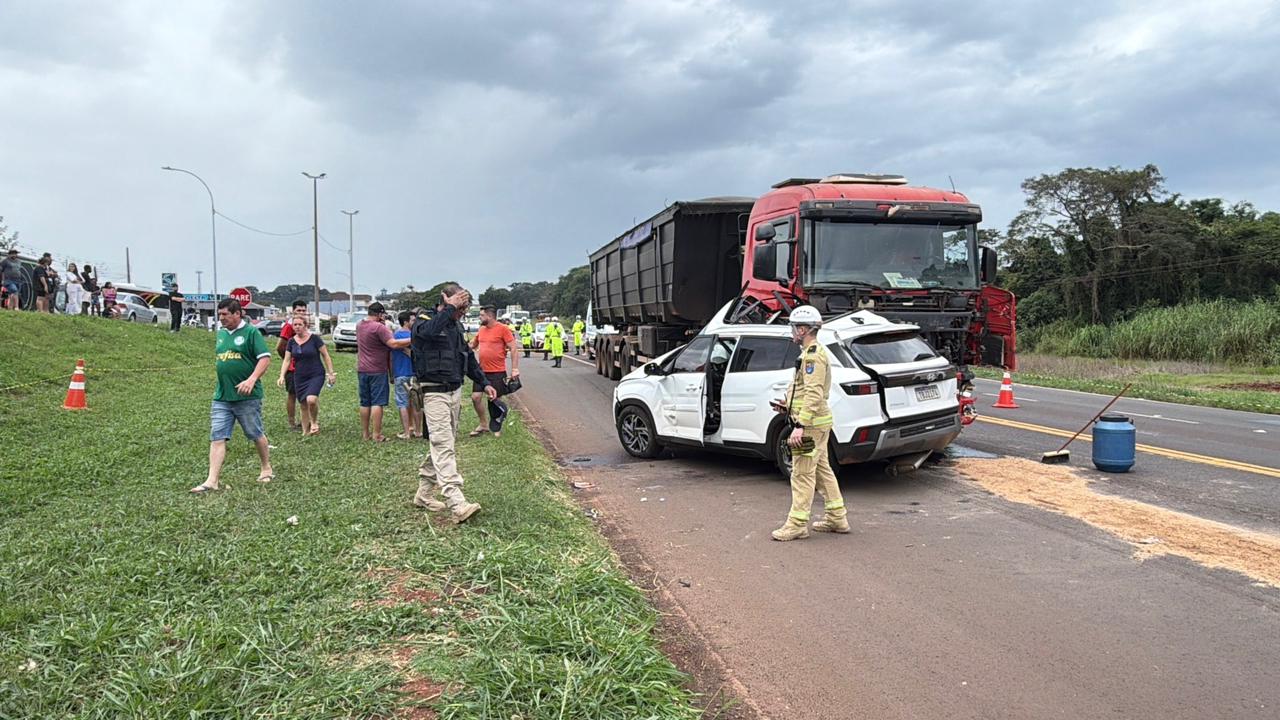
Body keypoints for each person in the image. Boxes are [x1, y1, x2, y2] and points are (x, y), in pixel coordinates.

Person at [411, 284, 494, 524]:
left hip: (454, 391)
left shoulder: (456, 326)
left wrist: (484, 382)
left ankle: (424, 494)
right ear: (445, 299)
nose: (462, 312)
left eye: (464, 308)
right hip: (433, 392)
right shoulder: (425, 320)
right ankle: (457, 503)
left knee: (444, 442)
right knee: (443, 443)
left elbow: (467, 358)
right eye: (459, 306)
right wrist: (449, 308)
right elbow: (427, 333)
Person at [770, 305, 847, 541]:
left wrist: (800, 425)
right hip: (816, 424)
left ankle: (797, 524)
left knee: (801, 474)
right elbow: (806, 391)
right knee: (822, 470)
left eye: (794, 327)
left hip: (811, 426)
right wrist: (788, 406)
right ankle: (837, 517)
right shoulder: (810, 354)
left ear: (803, 329)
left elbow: (814, 393)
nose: (792, 332)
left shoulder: (813, 356)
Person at [191, 298, 273, 493]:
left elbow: (265, 359)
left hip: (247, 397)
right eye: (219, 314)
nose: (221, 318)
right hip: (222, 396)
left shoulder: (251, 333)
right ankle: (212, 480)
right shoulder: (221, 334)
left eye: (225, 314)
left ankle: (266, 467)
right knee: (217, 437)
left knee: (255, 434)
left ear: (237, 313)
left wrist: (251, 379)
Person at [356, 302, 411, 442]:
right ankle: (377, 434)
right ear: (380, 314)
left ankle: (365, 434)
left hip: (362, 369)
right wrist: (414, 339)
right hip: (377, 370)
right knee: (377, 402)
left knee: (365, 402)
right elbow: (393, 343)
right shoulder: (379, 328)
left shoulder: (359, 325)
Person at [276, 315, 336, 436]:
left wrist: (330, 373)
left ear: (305, 326)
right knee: (303, 403)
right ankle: (305, 431)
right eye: (295, 325)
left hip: (316, 374)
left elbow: (325, 355)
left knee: (311, 400)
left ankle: (314, 422)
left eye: (300, 324)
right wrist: (282, 375)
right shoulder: (291, 341)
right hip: (299, 376)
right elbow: (287, 360)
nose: (297, 327)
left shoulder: (314, 339)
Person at [468, 306, 520, 437]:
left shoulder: (503, 329)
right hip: (481, 371)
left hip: (497, 371)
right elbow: (473, 345)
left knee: (494, 399)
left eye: (482, 315)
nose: (480, 318)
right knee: (475, 397)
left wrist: (514, 369)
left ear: (490, 316)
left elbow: (513, 348)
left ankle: (496, 426)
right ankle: (483, 424)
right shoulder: (481, 330)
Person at [276, 299, 310, 431]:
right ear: (293, 311)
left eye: (303, 310)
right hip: (293, 368)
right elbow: (280, 346)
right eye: (298, 310)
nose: (301, 313)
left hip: (305, 367)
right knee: (292, 394)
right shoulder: (289, 326)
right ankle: (291, 422)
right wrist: (288, 360)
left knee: (306, 395)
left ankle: (305, 421)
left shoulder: (305, 325)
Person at [392, 311, 421, 440]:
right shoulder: (416, 336)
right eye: (413, 320)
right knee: (416, 403)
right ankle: (418, 430)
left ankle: (406, 432)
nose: (415, 322)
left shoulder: (395, 336)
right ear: (405, 322)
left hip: (400, 373)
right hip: (414, 374)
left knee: (402, 403)